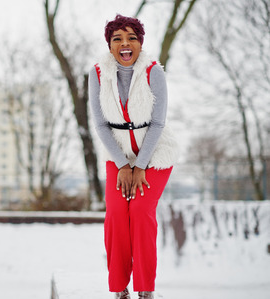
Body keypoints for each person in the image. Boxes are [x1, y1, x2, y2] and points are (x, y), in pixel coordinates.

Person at [88, 14, 178, 299]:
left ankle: (145, 288)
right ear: (110, 45)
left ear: (140, 43)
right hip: (118, 155)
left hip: (155, 153)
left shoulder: (154, 72)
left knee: (140, 212)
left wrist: (140, 165)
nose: (125, 44)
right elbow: (101, 124)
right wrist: (123, 164)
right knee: (116, 215)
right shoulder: (97, 74)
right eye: (118, 39)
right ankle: (118, 288)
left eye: (131, 38)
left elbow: (158, 123)